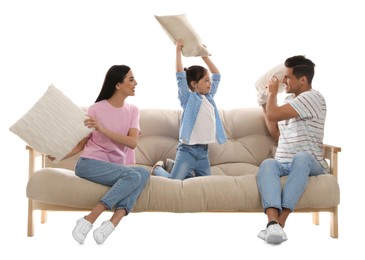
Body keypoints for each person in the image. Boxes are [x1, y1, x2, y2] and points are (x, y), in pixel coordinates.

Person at [52, 65, 150, 244]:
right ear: (118, 85)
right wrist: (58, 155)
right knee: (133, 175)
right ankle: (89, 219)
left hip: (116, 167)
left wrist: (103, 130)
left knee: (143, 173)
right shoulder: (95, 109)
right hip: (88, 164)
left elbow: (132, 143)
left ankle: (111, 224)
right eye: (131, 79)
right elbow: (82, 143)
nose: (136, 83)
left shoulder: (133, 110)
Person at [256, 55, 328, 244]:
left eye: (287, 77)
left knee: (301, 158)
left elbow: (273, 113)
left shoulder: (312, 98)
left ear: (303, 80)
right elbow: (276, 134)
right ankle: (272, 224)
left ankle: (280, 223)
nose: (283, 81)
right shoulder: (289, 100)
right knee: (268, 164)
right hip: (284, 162)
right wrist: (263, 101)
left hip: (310, 163)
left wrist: (271, 95)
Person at [151, 39, 227, 180]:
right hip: (187, 151)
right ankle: (158, 170)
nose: (210, 83)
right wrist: (178, 51)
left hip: (203, 152)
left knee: (205, 182)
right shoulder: (188, 99)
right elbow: (180, 76)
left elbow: (217, 76)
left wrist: (204, 57)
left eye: (209, 80)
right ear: (194, 84)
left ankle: (173, 165)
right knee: (174, 182)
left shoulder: (209, 97)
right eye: (206, 80)